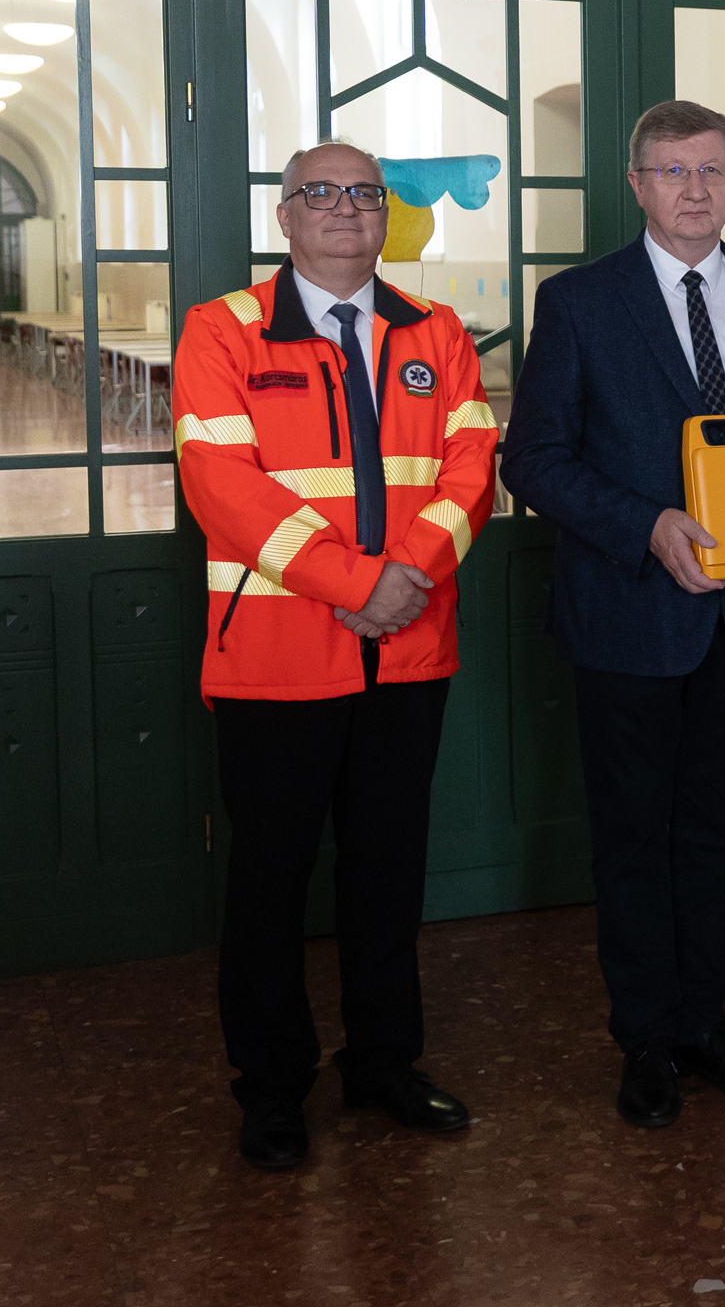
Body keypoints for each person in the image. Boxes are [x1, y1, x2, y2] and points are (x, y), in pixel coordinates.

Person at [500, 100, 725, 1130]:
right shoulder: (579, 301)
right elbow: (533, 461)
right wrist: (646, 526)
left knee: (714, 835)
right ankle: (646, 1036)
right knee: (632, 836)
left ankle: (704, 1023)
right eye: (671, 170)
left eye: (711, 169)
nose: (694, 189)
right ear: (637, 184)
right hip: (629, 612)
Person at [170, 140, 499, 1172]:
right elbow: (221, 484)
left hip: (406, 655)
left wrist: (404, 576)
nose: (345, 209)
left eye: (363, 193)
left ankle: (383, 1064)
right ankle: (271, 1088)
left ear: (384, 215)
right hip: (275, 658)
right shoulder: (221, 329)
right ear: (285, 216)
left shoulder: (436, 331)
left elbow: (471, 467)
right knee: (269, 883)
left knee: (387, 874)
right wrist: (358, 584)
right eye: (320, 192)